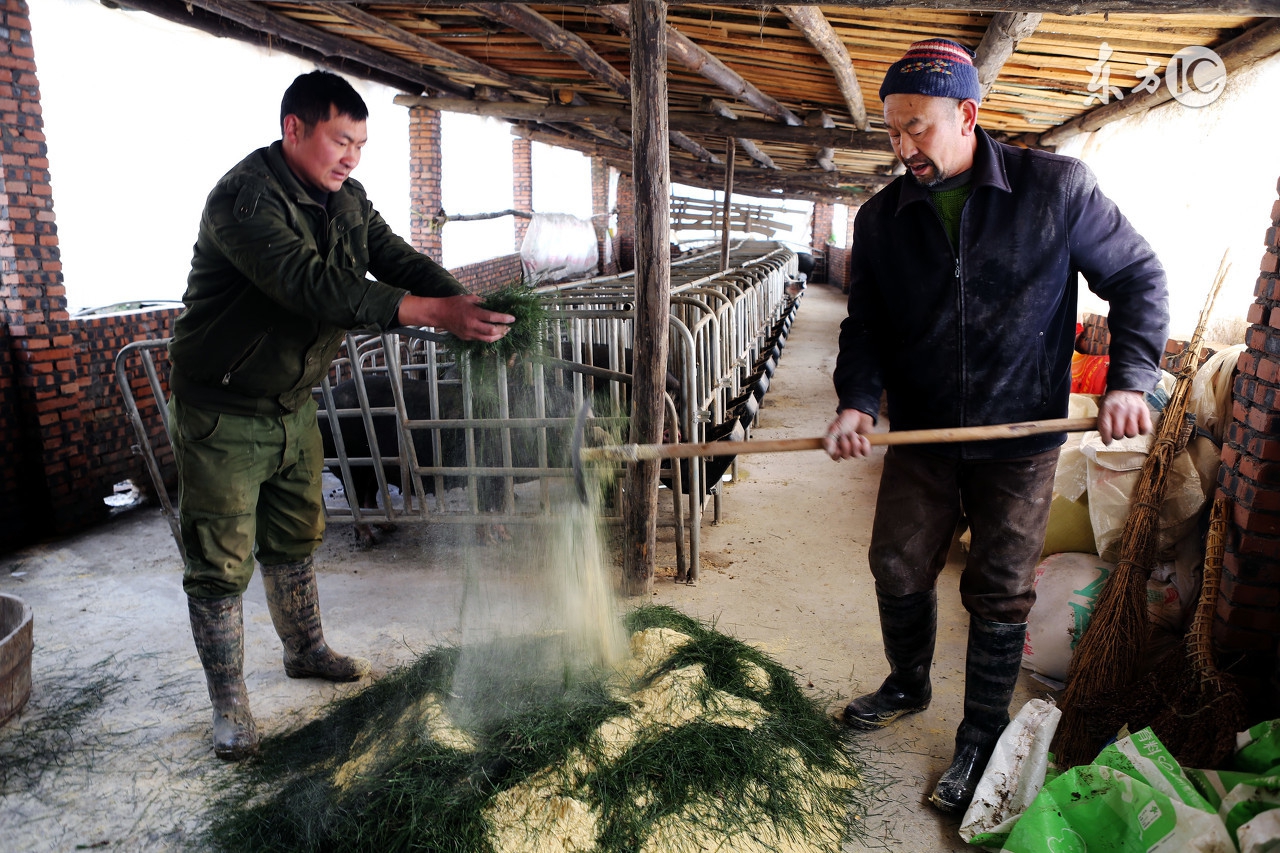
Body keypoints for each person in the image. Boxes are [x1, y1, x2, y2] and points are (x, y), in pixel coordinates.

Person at [824, 39, 1168, 815]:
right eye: (891, 130)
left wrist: (1131, 380)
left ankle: (981, 727)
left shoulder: (1058, 191)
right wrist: (856, 400)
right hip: (922, 432)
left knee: (1001, 589)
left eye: (917, 127)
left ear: (967, 116)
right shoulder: (880, 219)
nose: (902, 145)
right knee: (897, 564)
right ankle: (909, 682)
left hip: (1021, 436)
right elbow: (866, 324)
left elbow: (1138, 276)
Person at [167, 70, 514, 761]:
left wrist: (462, 307)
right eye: (340, 139)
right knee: (220, 559)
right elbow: (312, 286)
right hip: (224, 408)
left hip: (294, 402)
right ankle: (230, 704)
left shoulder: (348, 200)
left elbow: (394, 258)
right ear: (294, 129)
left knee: (297, 532)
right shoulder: (244, 199)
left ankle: (305, 649)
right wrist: (426, 312)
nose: (352, 156)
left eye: (360, 143)